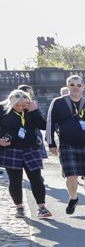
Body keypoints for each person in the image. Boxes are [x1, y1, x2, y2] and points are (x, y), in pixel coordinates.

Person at [46, 75, 85, 216]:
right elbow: (50, 122)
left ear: (83, 87)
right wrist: (51, 143)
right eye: (72, 85)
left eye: (78, 85)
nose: (75, 88)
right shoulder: (58, 103)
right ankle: (73, 198)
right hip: (67, 144)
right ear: (67, 86)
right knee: (71, 175)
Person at [0, 89, 51, 218]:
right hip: (11, 149)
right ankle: (19, 207)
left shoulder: (31, 109)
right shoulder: (2, 109)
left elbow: (43, 125)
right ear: (11, 102)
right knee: (15, 180)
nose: (20, 108)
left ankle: (42, 207)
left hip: (31, 148)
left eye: (24, 105)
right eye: (17, 105)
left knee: (36, 178)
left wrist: (35, 111)